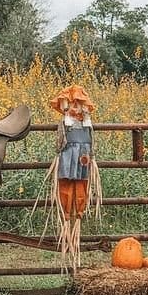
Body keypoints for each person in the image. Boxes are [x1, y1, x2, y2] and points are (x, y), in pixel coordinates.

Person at [48, 85, 100, 271]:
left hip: (83, 157)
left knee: (81, 187)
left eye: (78, 103)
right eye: (71, 103)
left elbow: (91, 142)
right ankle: (66, 217)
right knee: (65, 186)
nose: (75, 107)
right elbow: (60, 142)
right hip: (67, 155)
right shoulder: (65, 123)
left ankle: (78, 215)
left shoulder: (86, 123)